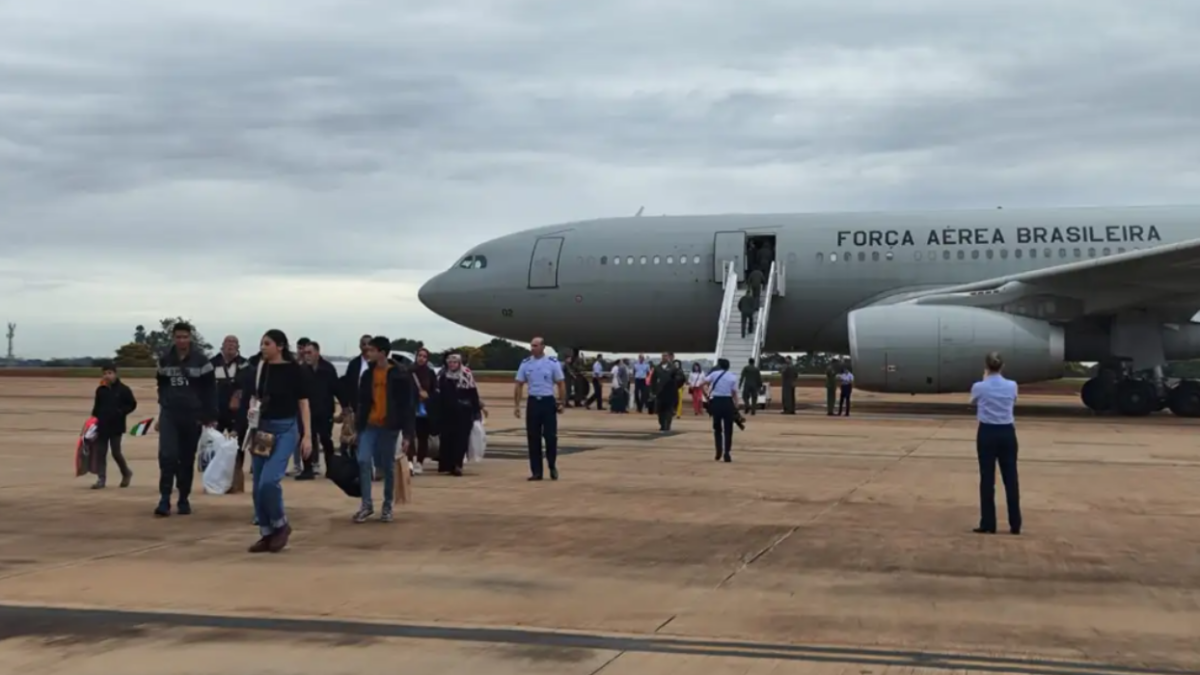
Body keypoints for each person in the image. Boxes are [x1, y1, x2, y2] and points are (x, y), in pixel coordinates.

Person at [244, 329, 311, 553]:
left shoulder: (294, 370)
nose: (263, 347)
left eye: (267, 343)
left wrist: (307, 435)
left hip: (285, 430)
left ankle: (281, 525)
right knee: (257, 487)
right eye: (262, 343)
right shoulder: (260, 368)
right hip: (262, 430)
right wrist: (252, 408)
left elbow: (303, 402)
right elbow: (255, 395)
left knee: (269, 482)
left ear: (280, 346)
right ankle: (266, 532)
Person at [153, 321, 217, 517]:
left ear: (190, 338)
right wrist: (162, 410)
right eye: (178, 337)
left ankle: (183, 498)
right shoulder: (165, 360)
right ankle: (164, 498)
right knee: (168, 456)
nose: (181, 340)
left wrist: (209, 416)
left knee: (186, 459)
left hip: (192, 416)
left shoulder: (202, 361)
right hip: (170, 414)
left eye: (185, 337)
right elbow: (161, 386)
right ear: (173, 338)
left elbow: (210, 391)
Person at [353, 336, 416, 522]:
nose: (367, 353)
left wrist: (407, 434)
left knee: (387, 466)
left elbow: (407, 406)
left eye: (371, 350)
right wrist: (358, 427)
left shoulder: (400, 374)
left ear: (381, 352)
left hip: (389, 427)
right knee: (363, 461)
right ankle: (366, 504)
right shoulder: (367, 375)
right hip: (369, 425)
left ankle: (387, 505)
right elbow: (362, 402)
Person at [969, 352, 1022, 535]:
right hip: (1007, 432)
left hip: (987, 432)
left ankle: (988, 523)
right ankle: (1015, 523)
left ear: (986, 366)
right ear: (1002, 366)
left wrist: (985, 380)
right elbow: (1013, 400)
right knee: (1011, 479)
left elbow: (972, 401)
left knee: (987, 479)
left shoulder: (979, 386)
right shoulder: (1012, 385)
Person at [514, 336, 565, 481]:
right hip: (533, 402)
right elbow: (518, 384)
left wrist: (561, 402)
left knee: (550, 437)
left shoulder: (552, 363)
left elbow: (561, 383)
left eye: (535, 346)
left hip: (548, 402)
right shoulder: (525, 364)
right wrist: (517, 405)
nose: (533, 348)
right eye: (531, 346)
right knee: (533, 438)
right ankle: (536, 471)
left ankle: (552, 464)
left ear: (543, 347)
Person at [436, 352, 486, 475]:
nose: (452, 364)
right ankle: (448, 465)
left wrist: (476, 410)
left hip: (463, 412)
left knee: (461, 439)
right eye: (450, 362)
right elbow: (437, 393)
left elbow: (473, 393)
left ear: (459, 363)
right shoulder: (442, 375)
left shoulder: (467, 374)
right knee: (447, 438)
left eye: (455, 362)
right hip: (447, 412)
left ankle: (458, 465)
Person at [90, 364, 137, 489]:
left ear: (115, 374)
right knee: (101, 453)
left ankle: (126, 473)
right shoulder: (100, 390)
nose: (107, 376)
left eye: (110, 373)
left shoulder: (124, 389)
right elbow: (96, 407)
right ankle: (101, 479)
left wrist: (121, 412)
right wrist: (93, 421)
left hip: (117, 426)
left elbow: (132, 404)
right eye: (105, 373)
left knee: (116, 452)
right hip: (102, 426)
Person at [299, 340, 341, 480]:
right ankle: (307, 469)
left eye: (310, 353)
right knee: (306, 439)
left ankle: (331, 469)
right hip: (307, 411)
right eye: (305, 353)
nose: (307, 356)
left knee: (326, 439)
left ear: (317, 352)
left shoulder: (328, 368)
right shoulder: (302, 370)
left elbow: (336, 388)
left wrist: (345, 406)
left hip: (324, 410)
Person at [210, 336, 247, 439]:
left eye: (234, 342)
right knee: (213, 446)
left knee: (236, 447)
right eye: (228, 342)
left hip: (237, 412)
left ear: (238, 346)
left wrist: (239, 393)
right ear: (222, 346)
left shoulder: (245, 365)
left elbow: (249, 385)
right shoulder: (212, 363)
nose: (230, 344)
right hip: (216, 410)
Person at [410, 347, 440, 475]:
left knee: (423, 438)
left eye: (424, 356)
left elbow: (435, 391)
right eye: (419, 356)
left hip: (424, 410)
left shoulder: (430, 373)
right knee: (410, 436)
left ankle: (420, 462)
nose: (421, 358)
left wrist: (428, 396)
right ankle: (410, 461)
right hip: (411, 408)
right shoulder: (408, 371)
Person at [704, 357, 740, 462]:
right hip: (728, 402)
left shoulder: (714, 374)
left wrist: (706, 395)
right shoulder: (732, 376)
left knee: (717, 428)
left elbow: (702, 383)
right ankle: (727, 453)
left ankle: (718, 451)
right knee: (728, 429)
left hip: (716, 401)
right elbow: (734, 393)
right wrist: (736, 405)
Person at [650, 353, 683, 432]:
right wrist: (653, 391)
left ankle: (667, 425)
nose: (664, 357)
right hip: (660, 392)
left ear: (668, 357)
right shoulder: (657, 368)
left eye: (666, 356)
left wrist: (675, 385)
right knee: (660, 411)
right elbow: (653, 380)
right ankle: (662, 424)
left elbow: (680, 378)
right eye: (663, 356)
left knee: (669, 410)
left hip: (670, 392)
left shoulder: (673, 368)